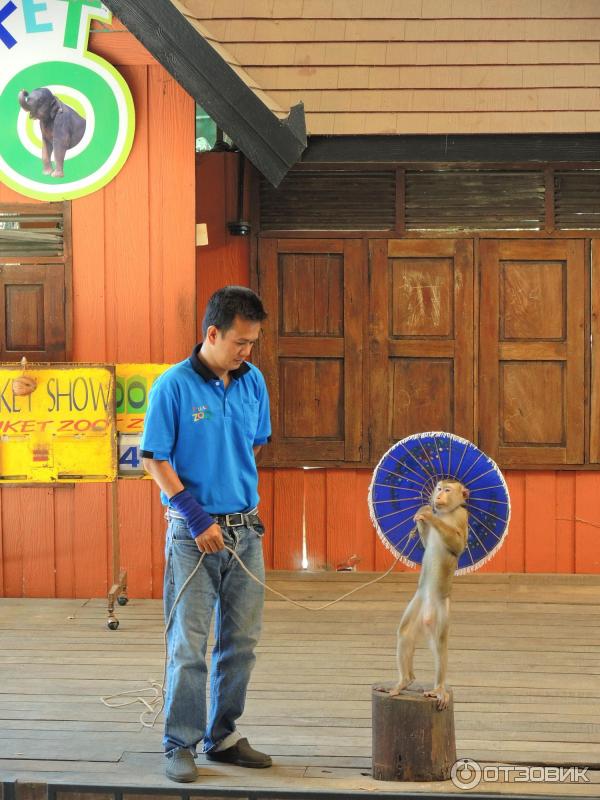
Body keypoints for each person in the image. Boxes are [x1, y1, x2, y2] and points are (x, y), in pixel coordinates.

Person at [140, 286, 272, 783]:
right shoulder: (172, 386)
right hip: (191, 535)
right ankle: (179, 742)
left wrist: (233, 507)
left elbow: (253, 444)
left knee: (242, 643)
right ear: (211, 333)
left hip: (245, 532)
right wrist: (197, 516)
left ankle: (224, 735)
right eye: (240, 342)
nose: (247, 352)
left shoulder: (252, 380)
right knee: (189, 645)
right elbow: (154, 458)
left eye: (253, 342)